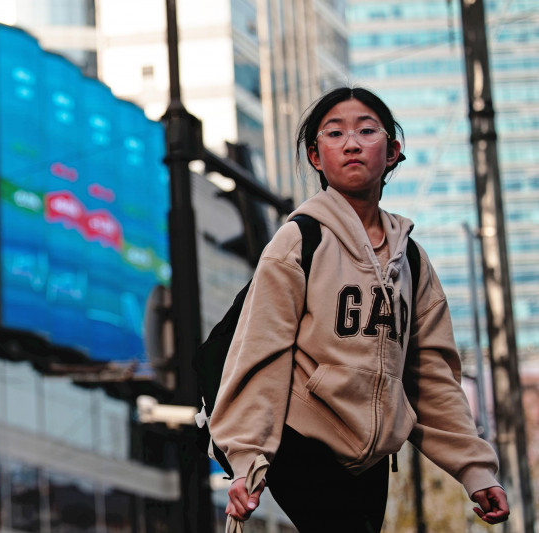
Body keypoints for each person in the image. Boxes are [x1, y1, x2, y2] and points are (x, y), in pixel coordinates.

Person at [208, 86, 510, 531]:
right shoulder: (299, 241)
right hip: (304, 441)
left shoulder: (412, 261)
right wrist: (247, 458)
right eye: (334, 133)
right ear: (316, 156)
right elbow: (260, 352)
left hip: (370, 459)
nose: (351, 143)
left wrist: (474, 468)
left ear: (392, 151)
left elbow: (432, 375)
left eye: (367, 131)